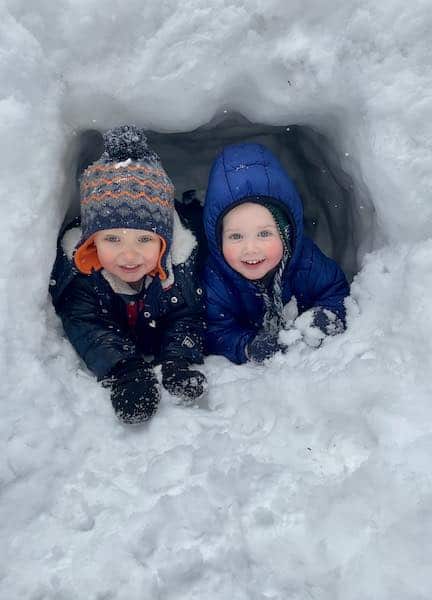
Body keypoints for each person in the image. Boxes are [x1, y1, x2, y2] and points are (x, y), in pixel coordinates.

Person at [49, 125, 207, 424]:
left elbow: (187, 316)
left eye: (144, 239)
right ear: (92, 240)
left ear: (164, 241)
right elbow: (86, 324)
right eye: (113, 239)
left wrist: (177, 359)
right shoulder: (84, 276)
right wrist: (125, 368)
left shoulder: (179, 268)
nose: (129, 255)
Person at [202, 142, 350, 364]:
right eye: (235, 236)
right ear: (217, 239)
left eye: (264, 234)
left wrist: (324, 315)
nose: (250, 248)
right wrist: (247, 345)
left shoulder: (307, 261)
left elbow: (336, 291)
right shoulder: (215, 281)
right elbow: (215, 331)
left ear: (286, 234)